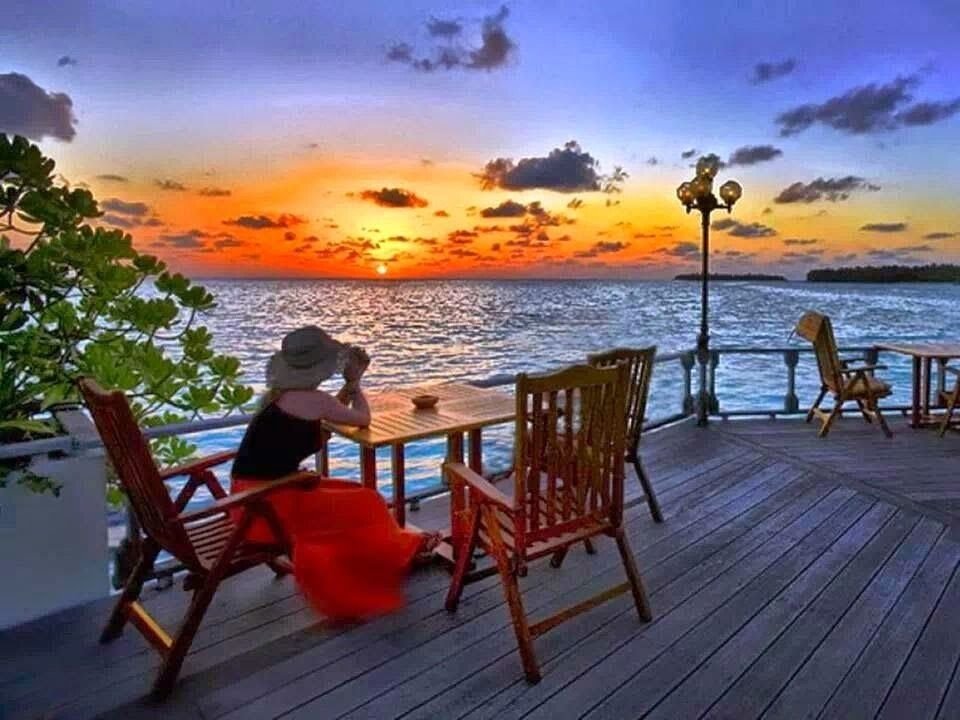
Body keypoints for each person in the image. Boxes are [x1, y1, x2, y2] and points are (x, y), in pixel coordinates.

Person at [230, 325, 436, 621]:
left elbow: (329, 412)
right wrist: (355, 383)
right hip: (270, 509)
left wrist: (350, 386)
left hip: (247, 501)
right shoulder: (314, 399)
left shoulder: (278, 397)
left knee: (354, 490)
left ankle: (387, 552)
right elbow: (362, 419)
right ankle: (395, 556)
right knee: (367, 501)